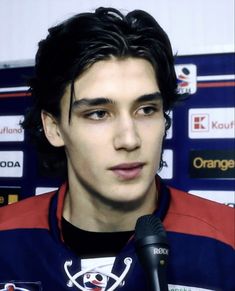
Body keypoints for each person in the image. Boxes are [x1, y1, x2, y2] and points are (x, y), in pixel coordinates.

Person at [0, 6, 234, 291]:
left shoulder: (227, 236)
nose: (129, 139)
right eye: (98, 113)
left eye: (146, 109)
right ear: (54, 127)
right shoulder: (5, 234)